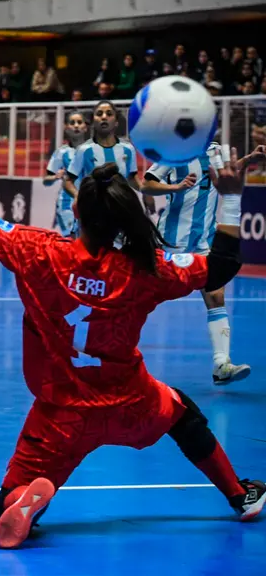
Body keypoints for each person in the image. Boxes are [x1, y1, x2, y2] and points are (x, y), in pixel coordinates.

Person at [0, 107, 266, 550]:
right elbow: (222, 267)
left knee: (2, 507)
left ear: (75, 209)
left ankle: (26, 498)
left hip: (60, 413)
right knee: (183, 414)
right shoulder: (147, 269)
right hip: (130, 401)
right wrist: (231, 196)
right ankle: (240, 496)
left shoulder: (39, 251)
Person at [141, 155, 251, 385]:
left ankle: (222, 364)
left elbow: (225, 174)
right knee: (145, 295)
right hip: (172, 240)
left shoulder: (215, 150)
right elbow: (147, 183)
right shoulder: (175, 151)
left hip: (204, 240)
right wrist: (175, 186)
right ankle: (111, 354)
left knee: (215, 295)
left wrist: (250, 159)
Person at [62, 101, 153, 235]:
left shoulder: (128, 149)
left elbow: (131, 177)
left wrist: (146, 193)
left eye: (109, 114)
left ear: (116, 122)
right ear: (93, 121)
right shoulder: (84, 150)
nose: (104, 117)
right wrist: (77, 196)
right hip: (92, 212)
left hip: (120, 211)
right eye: (99, 114)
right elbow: (68, 180)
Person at [44, 111, 87, 237]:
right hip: (67, 204)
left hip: (89, 202)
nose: (76, 126)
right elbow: (46, 180)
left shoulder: (93, 150)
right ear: (66, 128)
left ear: (85, 127)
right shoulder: (61, 152)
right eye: (72, 123)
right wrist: (55, 176)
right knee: (71, 242)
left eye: (79, 122)